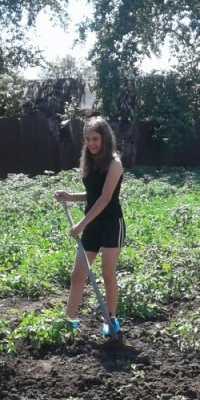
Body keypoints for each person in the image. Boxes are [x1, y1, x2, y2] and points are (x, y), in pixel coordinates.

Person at [54, 116, 125, 340]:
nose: (91, 143)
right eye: (87, 139)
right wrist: (69, 196)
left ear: (105, 138)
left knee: (107, 274)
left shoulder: (114, 163)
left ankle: (111, 320)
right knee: (78, 274)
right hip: (92, 226)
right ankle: (69, 321)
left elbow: (105, 198)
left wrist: (81, 223)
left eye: (95, 139)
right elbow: (92, 195)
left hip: (111, 225)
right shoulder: (91, 161)